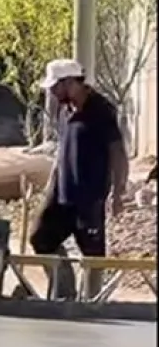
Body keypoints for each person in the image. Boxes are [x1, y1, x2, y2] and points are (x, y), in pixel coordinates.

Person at [31, 58, 128, 299]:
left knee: (92, 255)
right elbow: (63, 151)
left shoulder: (101, 110)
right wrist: (50, 186)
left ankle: (91, 303)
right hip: (62, 192)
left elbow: (118, 153)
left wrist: (118, 193)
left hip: (89, 197)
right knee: (41, 238)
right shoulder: (65, 110)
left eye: (56, 87)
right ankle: (64, 292)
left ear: (71, 83)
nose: (53, 93)